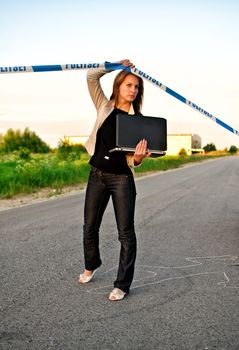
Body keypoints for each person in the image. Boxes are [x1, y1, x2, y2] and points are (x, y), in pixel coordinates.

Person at [79, 59, 150, 301]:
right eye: (129, 84)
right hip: (97, 175)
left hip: (121, 180)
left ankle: (122, 284)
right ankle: (91, 264)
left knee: (125, 233)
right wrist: (114, 65)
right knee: (90, 226)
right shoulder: (104, 106)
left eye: (137, 87)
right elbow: (91, 76)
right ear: (119, 85)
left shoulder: (137, 121)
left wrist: (139, 159)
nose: (133, 90)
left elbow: (132, 160)